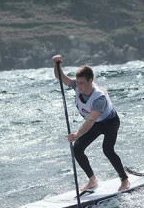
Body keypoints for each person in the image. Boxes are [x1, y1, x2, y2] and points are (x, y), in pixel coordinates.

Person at [52, 55, 130, 192]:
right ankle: (92, 180)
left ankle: (124, 179)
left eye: (82, 83)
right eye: (78, 82)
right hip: (95, 124)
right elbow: (60, 77)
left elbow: (90, 120)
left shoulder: (99, 98)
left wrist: (77, 134)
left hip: (110, 123)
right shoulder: (77, 86)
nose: (79, 85)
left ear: (91, 80)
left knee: (108, 149)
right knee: (77, 149)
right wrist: (56, 64)